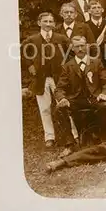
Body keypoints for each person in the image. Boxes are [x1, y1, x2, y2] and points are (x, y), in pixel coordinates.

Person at [53, 36, 106, 158]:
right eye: (77, 46)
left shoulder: (96, 62)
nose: (80, 48)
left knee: (105, 106)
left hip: (95, 98)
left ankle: (105, 141)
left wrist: (104, 94)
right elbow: (59, 88)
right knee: (60, 109)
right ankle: (69, 144)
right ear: (72, 48)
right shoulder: (68, 66)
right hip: (77, 99)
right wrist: (62, 99)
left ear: (87, 46)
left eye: (82, 45)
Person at [21, 12, 75, 147]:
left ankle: (74, 133)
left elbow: (72, 53)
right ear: (39, 23)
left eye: (51, 21)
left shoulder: (61, 38)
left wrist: (67, 68)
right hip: (41, 79)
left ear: (54, 24)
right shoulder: (32, 40)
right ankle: (49, 137)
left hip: (59, 79)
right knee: (44, 108)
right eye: (45, 21)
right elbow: (23, 54)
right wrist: (30, 66)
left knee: (65, 105)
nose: (48, 24)